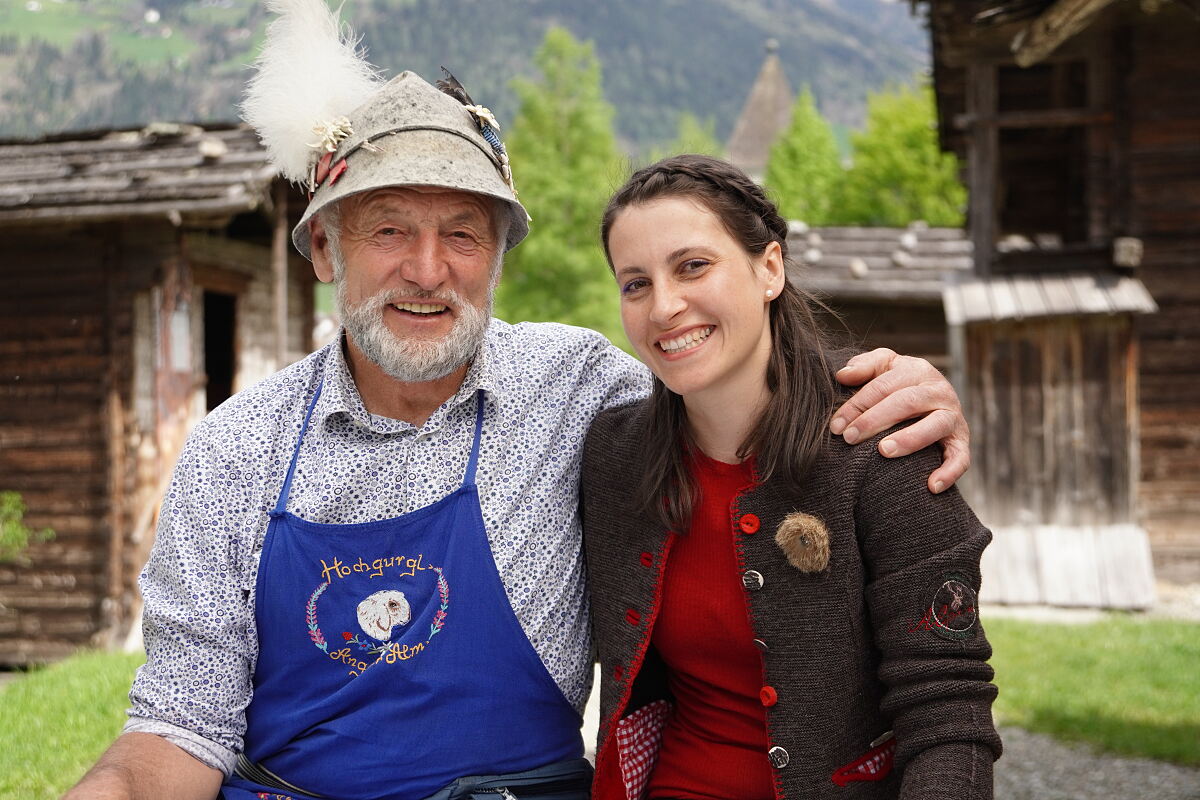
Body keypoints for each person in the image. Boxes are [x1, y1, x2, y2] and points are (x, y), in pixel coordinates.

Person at [64, 4, 974, 799]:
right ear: (326, 250)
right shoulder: (235, 451)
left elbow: (729, 381)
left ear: (499, 256)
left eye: (462, 234)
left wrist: (899, 388)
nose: (428, 270)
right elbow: (182, 722)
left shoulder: (581, 390)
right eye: (389, 230)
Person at [581, 155, 1002, 800]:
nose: (664, 306)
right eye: (635, 283)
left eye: (693, 266)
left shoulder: (882, 444)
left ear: (770, 268)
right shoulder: (612, 456)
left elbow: (948, 714)